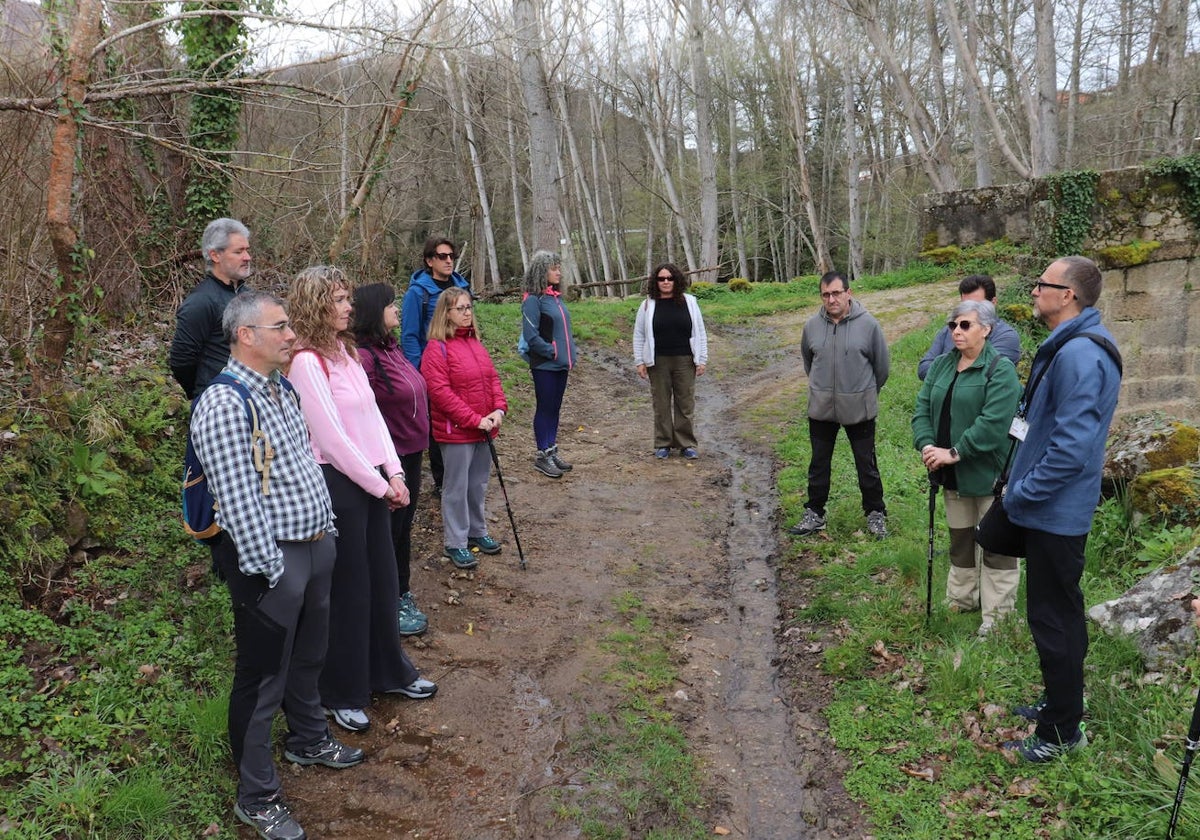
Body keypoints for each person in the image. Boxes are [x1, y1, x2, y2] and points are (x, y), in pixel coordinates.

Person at [190, 290, 362, 840]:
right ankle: (257, 795)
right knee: (262, 679)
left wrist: (327, 533)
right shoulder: (223, 403)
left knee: (309, 656)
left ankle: (309, 739)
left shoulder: (281, 388)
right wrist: (273, 567)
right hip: (272, 564)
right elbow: (238, 501)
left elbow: (305, 467)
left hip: (315, 546)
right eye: (281, 327)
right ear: (246, 336)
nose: (292, 335)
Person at [287, 266, 436, 736]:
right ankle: (343, 692)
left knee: (382, 580)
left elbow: (372, 421)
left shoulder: (347, 352)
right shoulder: (308, 361)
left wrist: (393, 470)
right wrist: (378, 484)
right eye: (338, 299)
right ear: (316, 304)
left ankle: (389, 671)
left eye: (348, 298)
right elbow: (329, 437)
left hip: (371, 478)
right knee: (349, 591)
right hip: (339, 485)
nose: (349, 306)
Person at [1000, 255, 1122, 762]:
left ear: (1067, 295)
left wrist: (1021, 493)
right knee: (1062, 614)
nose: (1033, 291)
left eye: (1042, 285)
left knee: (1052, 619)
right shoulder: (1071, 347)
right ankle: (1062, 703)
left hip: (1054, 512)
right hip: (1051, 509)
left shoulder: (1080, 356)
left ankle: (1060, 734)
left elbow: (1071, 450)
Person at [912, 300, 1021, 636]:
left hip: (990, 475)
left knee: (996, 545)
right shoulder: (944, 365)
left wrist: (955, 452)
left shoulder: (1000, 370)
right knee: (960, 539)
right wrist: (927, 445)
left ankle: (998, 616)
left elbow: (994, 424)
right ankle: (961, 598)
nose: (956, 331)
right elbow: (921, 409)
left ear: (986, 330)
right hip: (951, 474)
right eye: (953, 326)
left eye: (965, 325)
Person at [353, 283, 431, 637]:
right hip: (388, 459)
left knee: (402, 531)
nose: (397, 309)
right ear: (374, 311)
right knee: (388, 533)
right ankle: (389, 600)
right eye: (390, 304)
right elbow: (360, 413)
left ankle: (400, 591)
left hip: (411, 453)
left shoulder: (391, 347)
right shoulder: (365, 358)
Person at [789, 271, 890, 538]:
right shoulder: (811, 326)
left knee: (866, 464)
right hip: (821, 408)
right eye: (826, 294)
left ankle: (875, 513)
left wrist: (862, 392)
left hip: (859, 408)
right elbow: (809, 362)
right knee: (818, 464)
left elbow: (882, 368)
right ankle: (815, 513)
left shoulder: (868, 325)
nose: (831, 299)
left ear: (848, 293)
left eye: (836, 293)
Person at [420, 287, 508, 570]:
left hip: (484, 427)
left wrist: (498, 409)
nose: (467, 312)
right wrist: (473, 419)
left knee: (478, 483)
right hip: (457, 431)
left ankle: (477, 531)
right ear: (446, 313)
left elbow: (492, 378)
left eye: (469, 307)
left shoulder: (474, 342)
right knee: (456, 487)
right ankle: (456, 542)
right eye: (461, 308)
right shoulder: (437, 348)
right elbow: (440, 393)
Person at [401, 237, 471, 495]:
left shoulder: (462, 287)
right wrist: (419, 373)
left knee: (464, 417)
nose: (449, 260)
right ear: (430, 261)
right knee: (440, 426)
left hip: (463, 367)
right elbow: (409, 335)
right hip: (434, 370)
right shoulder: (417, 293)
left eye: (451, 255)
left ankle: (464, 474)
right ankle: (443, 482)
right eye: (442, 256)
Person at [632, 262, 709, 460]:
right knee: (661, 403)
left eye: (669, 278)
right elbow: (639, 334)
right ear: (655, 282)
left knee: (685, 403)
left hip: (685, 360)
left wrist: (701, 359)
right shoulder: (647, 304)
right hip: (657, 362)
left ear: (676, 280)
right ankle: (663, 443)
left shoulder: (690, 302)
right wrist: (640, 361)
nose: (665, 282)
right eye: (661, 279)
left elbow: (700, 331)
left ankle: (686, 444)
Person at [170, 218, 253, 398]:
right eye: (239, 251)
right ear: (215, 255)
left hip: (251, 399)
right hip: (219, 404)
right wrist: (206, 390)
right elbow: (181, 362)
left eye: (247, 250)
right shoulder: (201, 301)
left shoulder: (249, 296)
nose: (247, 257)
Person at [520, 250, 579, 478]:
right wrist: (553, 352)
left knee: (555, 408)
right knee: (545, 408)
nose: (558, 272)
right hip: (545, 366)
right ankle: (542, 455)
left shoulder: (556, 297)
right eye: (553, 268)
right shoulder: (533, 300)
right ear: (541, 271)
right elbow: (531, 336)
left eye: (558, 267)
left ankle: (552, 449)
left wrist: (570, 352)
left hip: (562, 365)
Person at [917, 274, 1022, 380]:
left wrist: (941, 371)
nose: (969, 310)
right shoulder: (951, 330)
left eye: (977, 305)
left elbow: (988, 375)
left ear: (993, 302)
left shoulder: (1006, 337)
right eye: (965, 305)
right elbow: (923, 368)